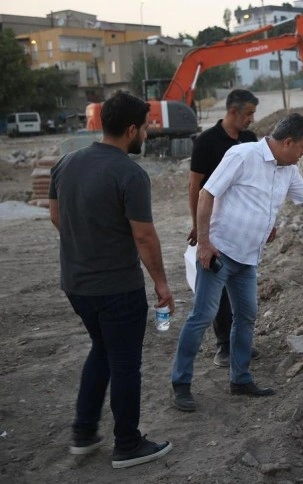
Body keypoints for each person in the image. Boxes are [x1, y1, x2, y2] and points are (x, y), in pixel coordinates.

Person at [171, 113, 303, 412]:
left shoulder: (287, 170)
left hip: (247, 258)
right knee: (202, 317)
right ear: (287, 142)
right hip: (220, 252)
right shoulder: (243, 155)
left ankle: (240, 379)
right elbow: (207, 194)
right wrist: (204, 243)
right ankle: (180, 384)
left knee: (246, 316)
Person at [49, 91, 173, 469]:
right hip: (118, 289)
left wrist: (87, 241)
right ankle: (128, 444)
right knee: (124, 364)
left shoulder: (66, 163)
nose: (149, 136)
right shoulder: (129, 173)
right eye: (147, 128)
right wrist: (162, 285)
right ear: (132, 129)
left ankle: (84, 433)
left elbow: (56, 216)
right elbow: (144, 237)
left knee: (101, 349)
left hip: (76, 285)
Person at [187, 89, 263, 368]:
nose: (252, 120)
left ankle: (240, 344)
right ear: (233, 112)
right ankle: (223, 347)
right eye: (249, 114)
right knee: (216, 289)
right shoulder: (206, 142)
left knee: (240, 291)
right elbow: (196, 186)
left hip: (241, 228)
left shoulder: (249, 140)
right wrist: (198, 226)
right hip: (215, 225)